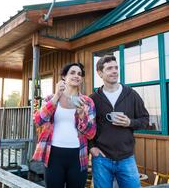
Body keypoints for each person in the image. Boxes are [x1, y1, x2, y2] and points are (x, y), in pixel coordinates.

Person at [89, 55, 149, 188]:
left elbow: (145, 120)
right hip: (101, 159)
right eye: (109, 68)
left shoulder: (131, 94)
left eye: (116, 67)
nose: (114, 71)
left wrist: (130, 123)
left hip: (126, 158)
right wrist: (91, 147)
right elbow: (87, 127)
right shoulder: (93, 99)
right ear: (100, 73)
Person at [33, 63, 96, 188]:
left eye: (79, 74)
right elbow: (39, 120)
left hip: (78, 156)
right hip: (53, 155)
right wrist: (56, 96)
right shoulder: (51, 98)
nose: (76, 76)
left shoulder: (87, 102)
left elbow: (91, 133)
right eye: (72, 73)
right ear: (64, 77)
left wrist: (82, 116)